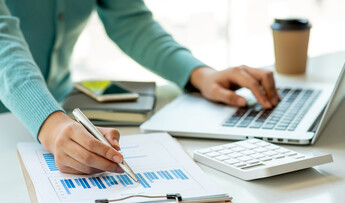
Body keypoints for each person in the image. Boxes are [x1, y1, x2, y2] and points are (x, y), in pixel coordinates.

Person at [0, 0, 280, 175]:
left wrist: (199, 74)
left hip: (59, 111)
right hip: (33, 121)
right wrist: (50, 125)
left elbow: (130, 20)